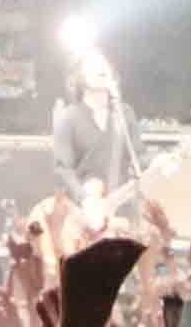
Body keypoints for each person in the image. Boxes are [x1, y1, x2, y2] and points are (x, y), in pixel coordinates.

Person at [47, 40, 136, 224]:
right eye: (94, 66)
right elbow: (63, 170)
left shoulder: (123, 113)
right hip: (82, 215)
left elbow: (138, 157)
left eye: (104, 65)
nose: (101, 68)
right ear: (79, 77)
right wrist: (85, 199)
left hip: (120, 214)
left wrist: (161, 162)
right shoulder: (68, 118)